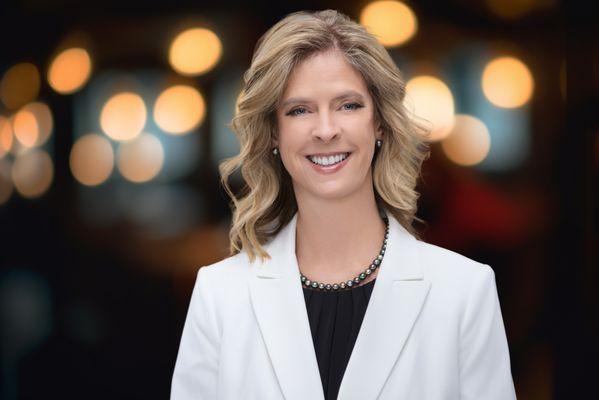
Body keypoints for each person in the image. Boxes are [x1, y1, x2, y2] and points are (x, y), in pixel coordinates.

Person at [171, 9, 517, 400]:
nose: (325, 130)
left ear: (381, 122)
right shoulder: (219, 295)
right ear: (273, 132)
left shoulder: (464, 291)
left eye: (348, 105)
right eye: (299, 110)